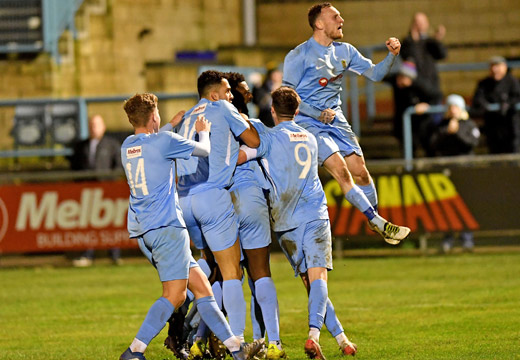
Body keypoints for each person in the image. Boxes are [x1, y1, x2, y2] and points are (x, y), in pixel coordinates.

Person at [119, 93, 256, 360]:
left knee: (202, 288)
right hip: (167, 228)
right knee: (176, 295)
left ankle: (236, 350)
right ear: (153, 116)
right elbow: (203, 150)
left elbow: (151, 140)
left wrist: (170, 124)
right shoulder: (165, 141)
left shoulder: (127, 146)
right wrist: (202, 132)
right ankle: (135, 351)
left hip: (143, 230)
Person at [238, 87, 357, 359]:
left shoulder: (266, 137)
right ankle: (314, 335)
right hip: (314, 213)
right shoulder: (311, 138)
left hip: (285, 221)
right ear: (298, 109)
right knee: (319, 279)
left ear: (272, 110)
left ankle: (341, 339)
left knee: (310, 281)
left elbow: (241, 155)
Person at [282, 2, 410, 244]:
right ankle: (379, 221)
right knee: (340, 170)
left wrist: (392, 56)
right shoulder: (298, 55)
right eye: (335, 17)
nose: (342, 20)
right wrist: (314, 112)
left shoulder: (345, 51)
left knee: (361, 172)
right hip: (308, 122)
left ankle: (375, 220)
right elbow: (285, 94)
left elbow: (375, 74)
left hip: (336, 120)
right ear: (319, 24)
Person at [172, 70, 261, 347]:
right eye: (227, 91)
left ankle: (184, 324)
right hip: (211, 196)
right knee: (231, 270)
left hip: (184, 201)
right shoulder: (223, 108)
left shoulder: (186, 117)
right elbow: (254, 140)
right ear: (214, 95)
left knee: (207, 267)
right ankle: (238, 341)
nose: (231, 96)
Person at [225, 72, 285, 359]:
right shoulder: (257, 126)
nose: (250, 95)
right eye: (246, 92)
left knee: (227, 274)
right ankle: (273, 343)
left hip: (220, 203)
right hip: (250, 198)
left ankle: (235, 342)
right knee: (260, 273)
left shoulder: (211, 125)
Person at [70, 114, 122, 267]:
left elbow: (118, 166)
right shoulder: (81, 146)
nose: (94, 128)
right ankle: (87, 254)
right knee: (88, 223)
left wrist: (111, 184)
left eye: (97, 125)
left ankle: (115, 255)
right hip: (87, 192)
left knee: (110, 222)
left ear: (103, 127)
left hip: (107, 191)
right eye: (91, 125)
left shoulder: (112, 145)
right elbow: (74, 168)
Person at [430, 94, 480, 253]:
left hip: (465, 170)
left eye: (455, 107)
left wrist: (457, 132)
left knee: (466, 205)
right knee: (448, 206)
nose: (453, 110)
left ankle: (467, 240)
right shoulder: (442, 125)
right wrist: (447, 132)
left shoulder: (469, 124)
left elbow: (472, 143)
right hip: (447, 171)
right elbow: (433, 144)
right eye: (450, 107)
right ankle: (448, 239)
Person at [384, 61, 442, 156]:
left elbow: (436, 96)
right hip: (402, 121)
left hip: (421, 122)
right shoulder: (395, 80)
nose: (399, 81)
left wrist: (426, 105)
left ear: (410, 79)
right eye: (399, 77)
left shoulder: (421, 85)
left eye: (403, 78)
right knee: (407, 147)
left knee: (427, 146)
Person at [471, 56, 520, 154]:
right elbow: (478, 99)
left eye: (497, 66)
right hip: (493, 125)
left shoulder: (512, 81)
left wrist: (508, 104)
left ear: (505, 67)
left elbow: (517, 96)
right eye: (492, 66)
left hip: (511, 124)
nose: (494, 69)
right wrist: (486, 106)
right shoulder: (484, 83)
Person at [400, 12, 447, 101]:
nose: (420, 25)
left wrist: (437, 40)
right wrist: (414, 41)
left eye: (422, 22)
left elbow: (442, 55)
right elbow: (408, 57)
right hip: (415, 85)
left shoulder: (430, 41)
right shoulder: (408, 42)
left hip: (431, 83)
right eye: (417, 23)